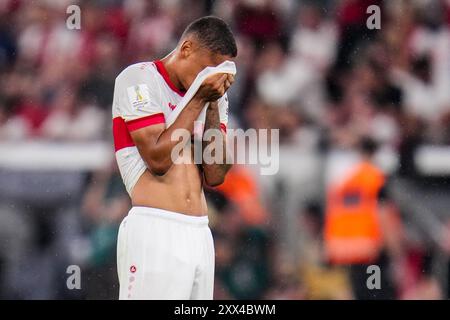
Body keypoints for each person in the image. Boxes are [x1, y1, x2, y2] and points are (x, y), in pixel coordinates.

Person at [111, 16, 237, 299]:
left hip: (200, 234)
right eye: (207, 69)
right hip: (154, 229)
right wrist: (198, 99)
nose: (211, 80)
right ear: (186, 49)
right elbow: (157, 159)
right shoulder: (138, 79)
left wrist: (213, 103)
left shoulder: (212, 97)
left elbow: (215, 175)